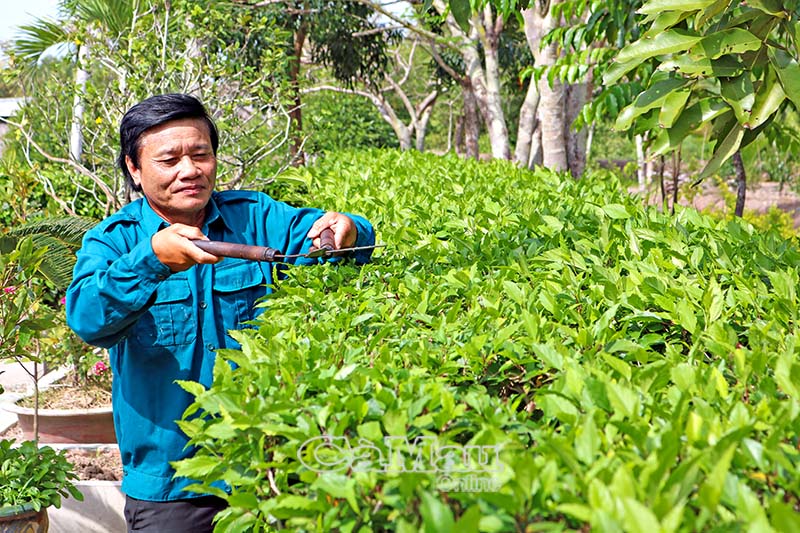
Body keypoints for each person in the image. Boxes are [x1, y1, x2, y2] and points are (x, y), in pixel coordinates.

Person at [66, 93, 375, 532]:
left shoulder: (257, 217)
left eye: (201, 154)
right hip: (173, 486)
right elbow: (88, 319)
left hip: (270, 466)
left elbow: (333, 234)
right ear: (134, 170)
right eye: (169, 159)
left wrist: (346, 229)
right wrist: (151, 259)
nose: (189, 170)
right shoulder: (113, 242)